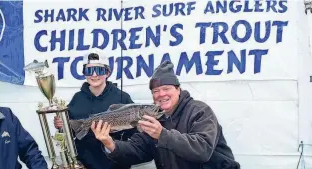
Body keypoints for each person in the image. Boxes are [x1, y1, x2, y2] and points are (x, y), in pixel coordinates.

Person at [91, 61, 241, 169]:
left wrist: (162, 135)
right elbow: (137, 150)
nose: (161, 94)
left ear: (178, 89)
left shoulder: (200, 111)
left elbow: (202, 150)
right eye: (155, 91)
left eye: (166, 88)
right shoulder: (154, 118)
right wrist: (109, 143)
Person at [53, 49, 137, 169]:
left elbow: (133, 134)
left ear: (107, 72)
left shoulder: (123, 97)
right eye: (89, 70)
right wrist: (61, 125)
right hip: (84, 164)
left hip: (115, 164)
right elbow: (72, 130)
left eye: (99, 70)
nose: (94, 75)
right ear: (84, 73)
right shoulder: (77, 98)